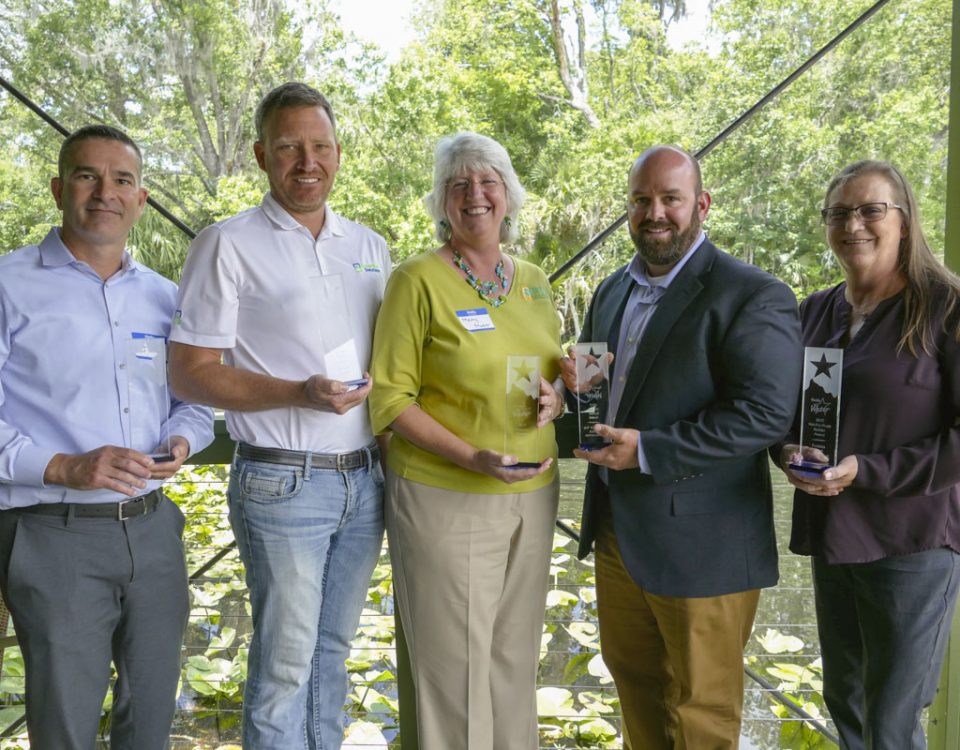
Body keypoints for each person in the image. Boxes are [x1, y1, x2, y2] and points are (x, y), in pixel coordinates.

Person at [168, 83, 391, 749]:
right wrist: (300, 392)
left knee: (331, 655)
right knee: (286, 665)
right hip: (281, 481)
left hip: (366, 481)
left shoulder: (371, 245)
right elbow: (189, 373)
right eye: (289, 147)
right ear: (262, 155)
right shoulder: (226, 243)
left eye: (319, 146)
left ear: (339, 154)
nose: (306, 161)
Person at [560, 145, 802, 749]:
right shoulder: (611, 291)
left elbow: (766, 414)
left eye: (671, 198)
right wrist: (559, 403)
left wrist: (647, 450)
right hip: (618, 531)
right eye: (642, 200)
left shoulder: (752, 293)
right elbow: (596, 399)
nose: (655, 213)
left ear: (702, 204)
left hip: (706, 543)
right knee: (637, 693)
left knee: (702, 711)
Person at [0, 125, 213, 750]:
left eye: (122, 179)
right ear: (58, 188)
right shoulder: (8, 284)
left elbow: (192, 401)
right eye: (88, 176)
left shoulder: (164, 297)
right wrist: (64, 466)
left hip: (152, 532)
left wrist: (181, 440)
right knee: (64, 722)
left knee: (151, 716)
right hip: (51, 532)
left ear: (141, 199)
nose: (105, 192)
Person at [368, 132, 564, 750]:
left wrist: (559, 394)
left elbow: (551, 368)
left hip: (533, 493)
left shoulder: (532, 280)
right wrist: (471, 455)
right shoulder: (416, 281)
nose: (475, 195)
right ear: (442, 203)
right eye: (459, 185)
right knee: (452, 670)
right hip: (445, 495)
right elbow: (390, 399)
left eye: (487, 182)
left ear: (507, 195)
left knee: (513, 658)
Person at [775, 160, 960, 750]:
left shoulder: (945, 307)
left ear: (903, 221)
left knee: (891, 719)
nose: (853, 224)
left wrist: (868, 470)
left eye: (870, 210)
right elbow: (783, 412)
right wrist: (787, 452)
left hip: (913, 541)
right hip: (835, 535)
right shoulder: (815, 311)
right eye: (838, 213)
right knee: (846, 703)